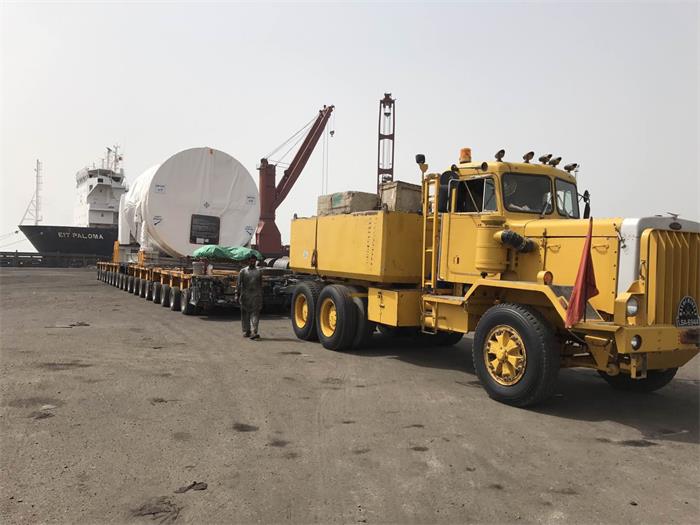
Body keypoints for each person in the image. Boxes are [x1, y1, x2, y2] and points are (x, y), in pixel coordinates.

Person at [236, 255, 264, 340]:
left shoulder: (259, 271)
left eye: (254, 261)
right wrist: (236, 294)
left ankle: (254, 331)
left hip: (256, 296)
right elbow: (238, 284)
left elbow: (261, 284)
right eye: (251, 261)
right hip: (245, 296)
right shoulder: (243, 271)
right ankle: (246, 330)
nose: (253, 263)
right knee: (245, 314)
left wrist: (261, 295)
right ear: (248, 261)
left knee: (255, 314)